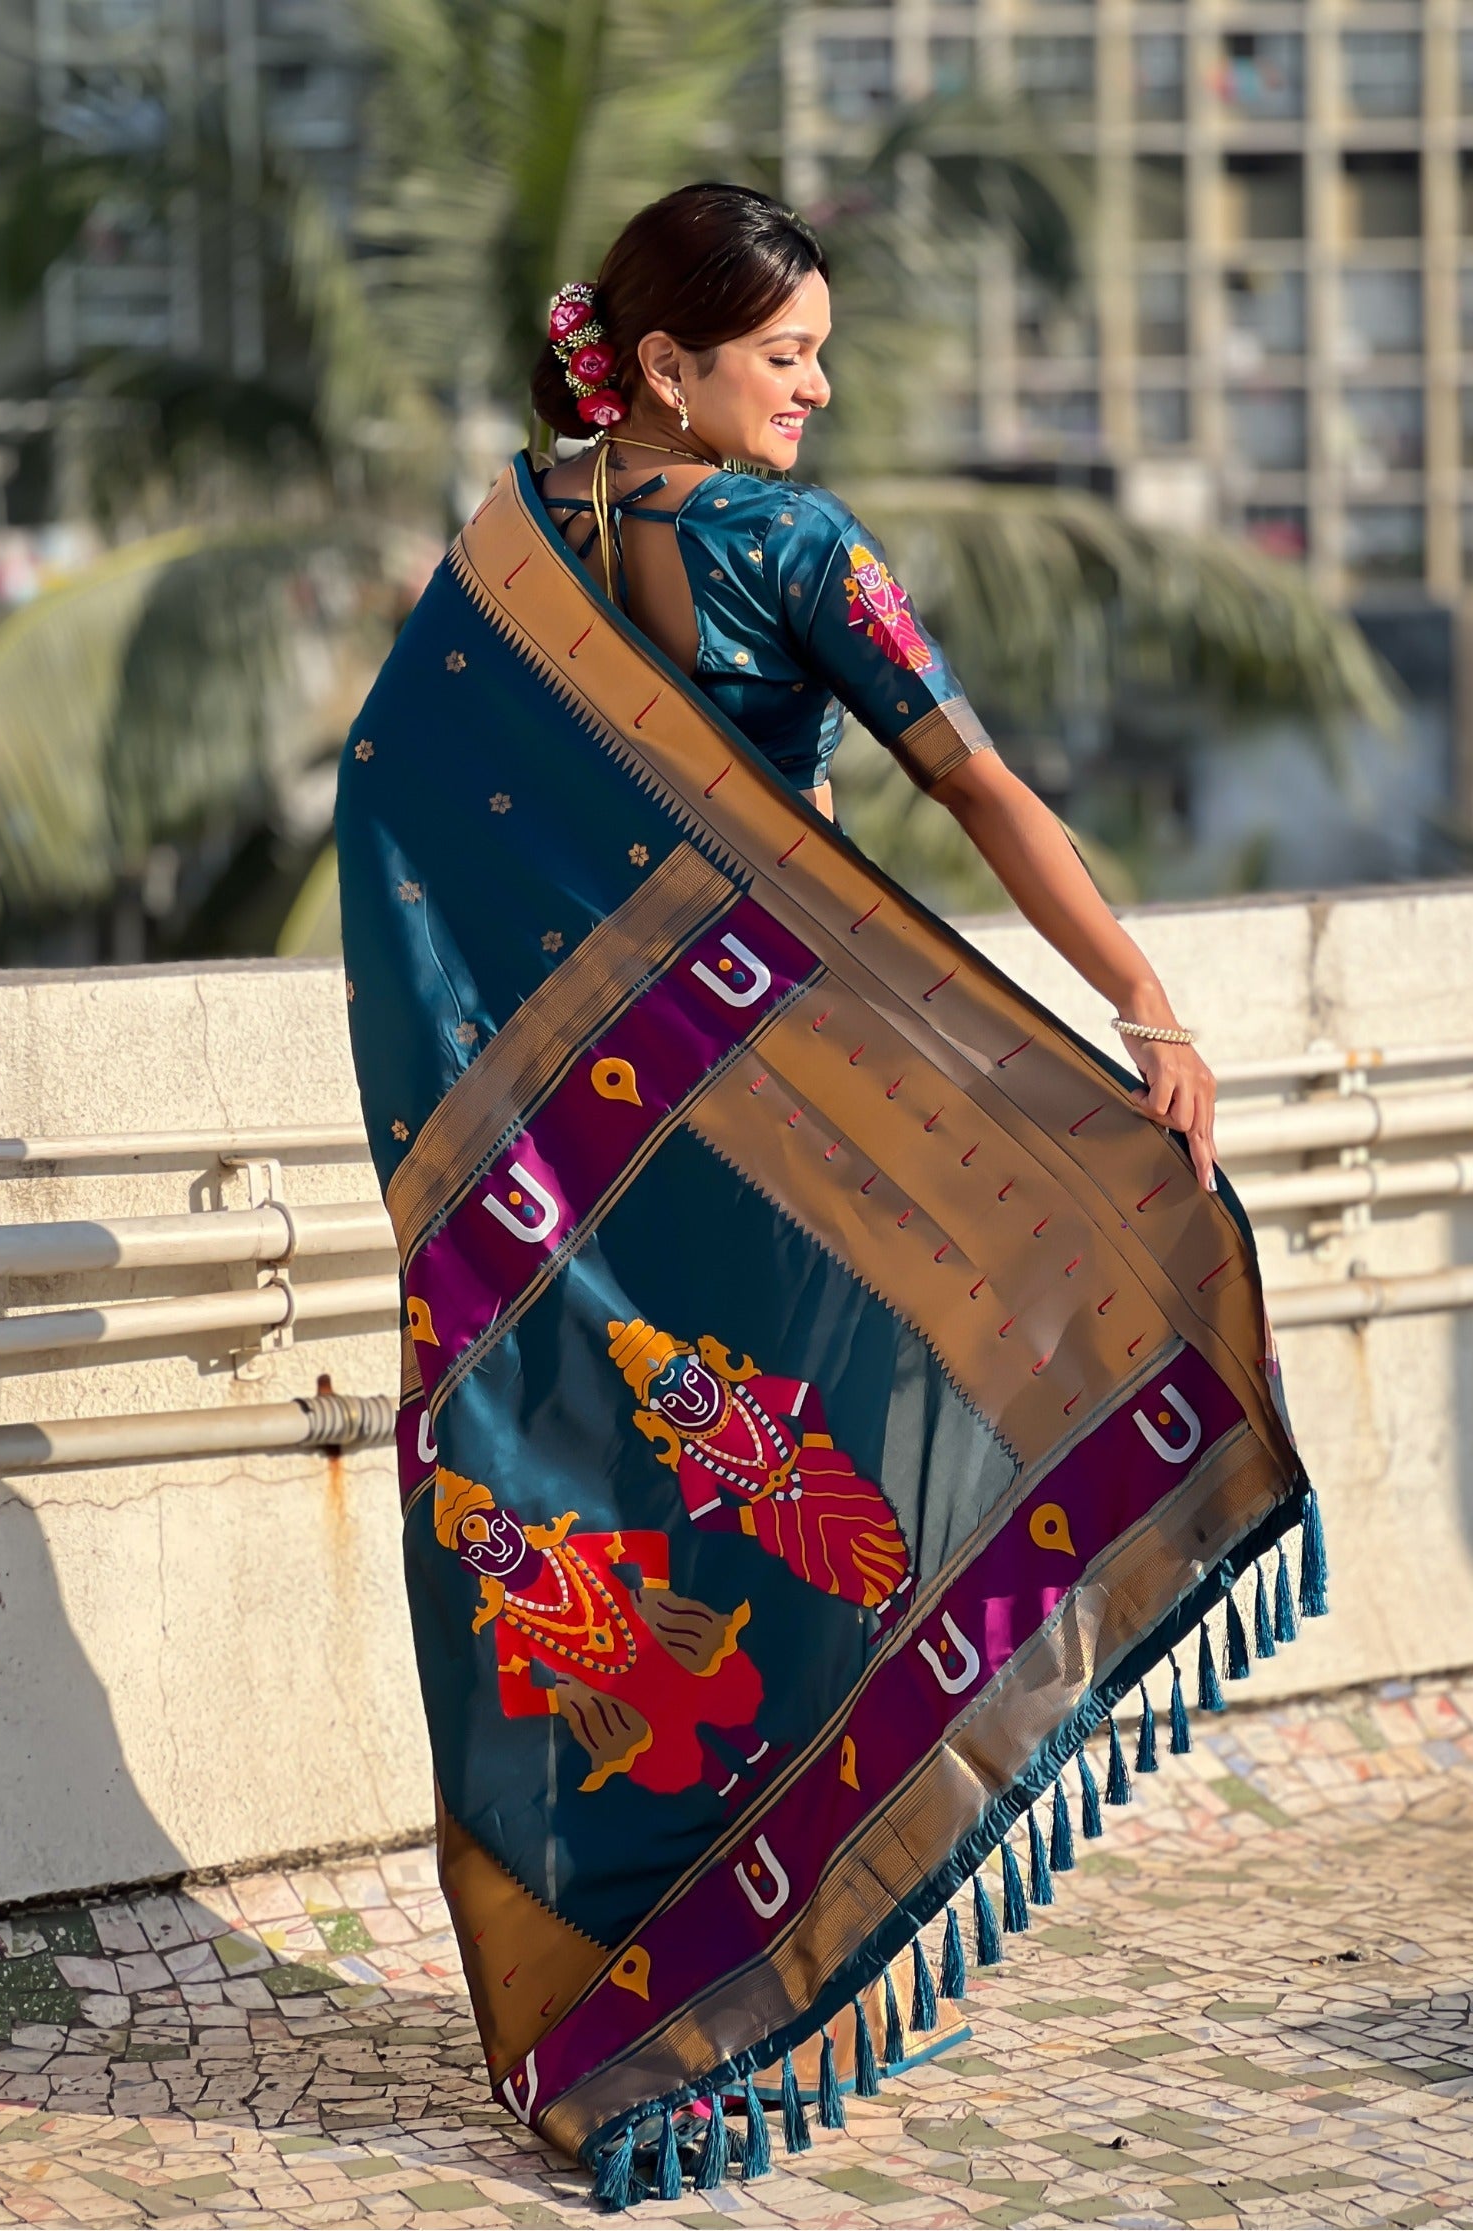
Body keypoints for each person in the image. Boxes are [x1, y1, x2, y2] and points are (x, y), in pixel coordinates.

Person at [335, 182, 1321, 2210]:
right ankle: (769, 1973)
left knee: (617, 1505)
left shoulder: (512, 545)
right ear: (673, 367)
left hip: (582, 1161)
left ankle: (639, 1991)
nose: (820, 387)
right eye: (786, 357)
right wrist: (1141, 1002)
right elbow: (971, 786)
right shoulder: (794, 547)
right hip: (785, 1125)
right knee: (831, 1493)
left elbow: (390, 804)